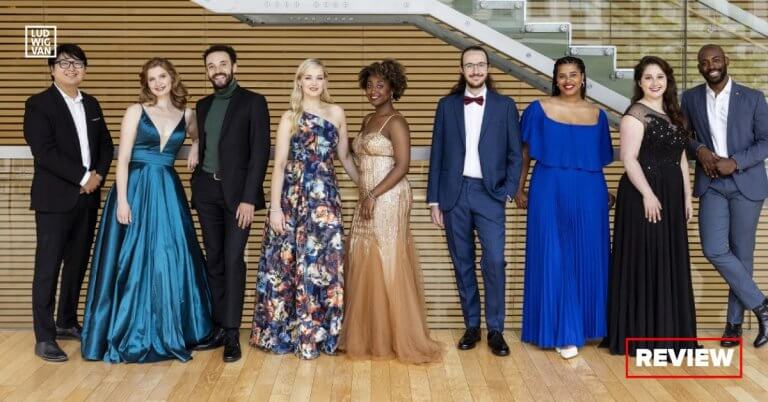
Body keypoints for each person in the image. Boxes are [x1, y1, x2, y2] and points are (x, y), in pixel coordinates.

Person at [80, 58, 213, 363]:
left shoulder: (187, 114)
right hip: (136, 188)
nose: (158, 83)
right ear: (146, 83)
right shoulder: (135, 111)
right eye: (152, 79)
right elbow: (123, 159)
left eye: (162, 76)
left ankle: (170, 327)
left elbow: (198, 136)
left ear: (172, 78)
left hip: (167, 189)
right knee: (131, 258)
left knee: (169, 256)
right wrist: (123, 200)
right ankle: (128, 329)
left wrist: (195, 145)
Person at [249, 59, 355, 359]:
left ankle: (324, 335)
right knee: (287, 264)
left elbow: (346, 158)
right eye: (308, 78)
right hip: (293, 199)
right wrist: (274, 209)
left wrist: (369, 190)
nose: (314, 83)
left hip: (326, 200)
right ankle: (293, 334)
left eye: (319, 77)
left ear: (325, 81)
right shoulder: (289, 117)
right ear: (299, 81)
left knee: (326, 264)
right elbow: (280, 164)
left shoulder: (337, 113)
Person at [341, 59, 443, 363]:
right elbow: (358, 160)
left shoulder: (397, 122)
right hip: (367, 197)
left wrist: (373, 195)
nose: (373, 90)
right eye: (369, 85)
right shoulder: (367, 119)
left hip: (388, 196)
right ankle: (373, 334)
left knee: (386, 257)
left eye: (380, 85)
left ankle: (396, 335)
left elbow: (402, 166)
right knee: (363, 257)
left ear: (392, 89)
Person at [426, 45, 522, 356]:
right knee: (462, 262)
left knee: (494, 260)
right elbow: (437, 153)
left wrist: (508, 190)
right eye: (470, 65)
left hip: (490, 194)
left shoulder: (505, 106)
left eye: (480, 64)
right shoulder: (446, 105)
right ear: (462, 69)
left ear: (488, 68)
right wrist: (434, 200)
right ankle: (471, 325)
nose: (476, 70)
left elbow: (516, 153)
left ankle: (496, 329)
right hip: (454, 194)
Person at [516, 56, 613, 360]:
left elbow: (598, 159)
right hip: (549, 187)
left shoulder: (598, 115)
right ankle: (563, 331)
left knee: (586, 255)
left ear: (583, 78)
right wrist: (519, 187)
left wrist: (605, 192)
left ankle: (583, 326)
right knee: (554, 256)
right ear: (555, 80)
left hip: (590, 191)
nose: (567, 80)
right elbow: (525, 153)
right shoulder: (537, 109)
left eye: (573, 74)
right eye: (561, 76)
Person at [23, 44, 114, 362]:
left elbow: (106, 144)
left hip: (88, 198)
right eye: (64, 63)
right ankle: (44, 337)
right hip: (54, 200)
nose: (71, 68)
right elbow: (43, 151)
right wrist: (82, 177)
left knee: (77, 263)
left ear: (85, 70)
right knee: (47, 268)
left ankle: (66, 321)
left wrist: (98, 176)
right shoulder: (38, 104)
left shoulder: (91, 103)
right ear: (52, 69)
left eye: (77, 63)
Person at [602, 56, 697, 356]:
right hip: (643, 196)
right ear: (639, 83)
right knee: (646, 258)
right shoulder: (635, 115)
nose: (655, 83)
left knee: (667, 258)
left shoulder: (676, 115)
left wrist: (687, 197)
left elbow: (681, 158)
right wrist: (647, 194)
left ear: (668, 81)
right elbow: (629, 159)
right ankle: (642, 335)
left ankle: (666, 335)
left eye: (660, 77)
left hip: (670, 196)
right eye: (648, 78)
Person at [682, 44, 768, 348]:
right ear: (699, 67)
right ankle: (762, 305)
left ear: (726, 61)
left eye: (716, 59)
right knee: (714, 248)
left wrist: (736, 161)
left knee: (742, 254)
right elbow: (684, 136)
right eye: (705, 62)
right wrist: (700, 150)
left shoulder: (753, 97)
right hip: (712, 184)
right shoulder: (690, 98)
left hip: (747, 183)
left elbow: (766, 141)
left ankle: (733, 325)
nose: (711, 65)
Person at [191, 45, 271, 363]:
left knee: (233, 258)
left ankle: (232, 333)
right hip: (206, 192)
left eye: (223, 64)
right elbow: (204, 138)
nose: (217, 70)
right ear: (207, 71)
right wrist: (195, 143)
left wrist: (249, 198)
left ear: (234, 66)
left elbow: (259, 152)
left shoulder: (254, 102)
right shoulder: (202, 105)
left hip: (239, 196)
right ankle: (217, 327)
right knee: (214, 259)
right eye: (211, 66)